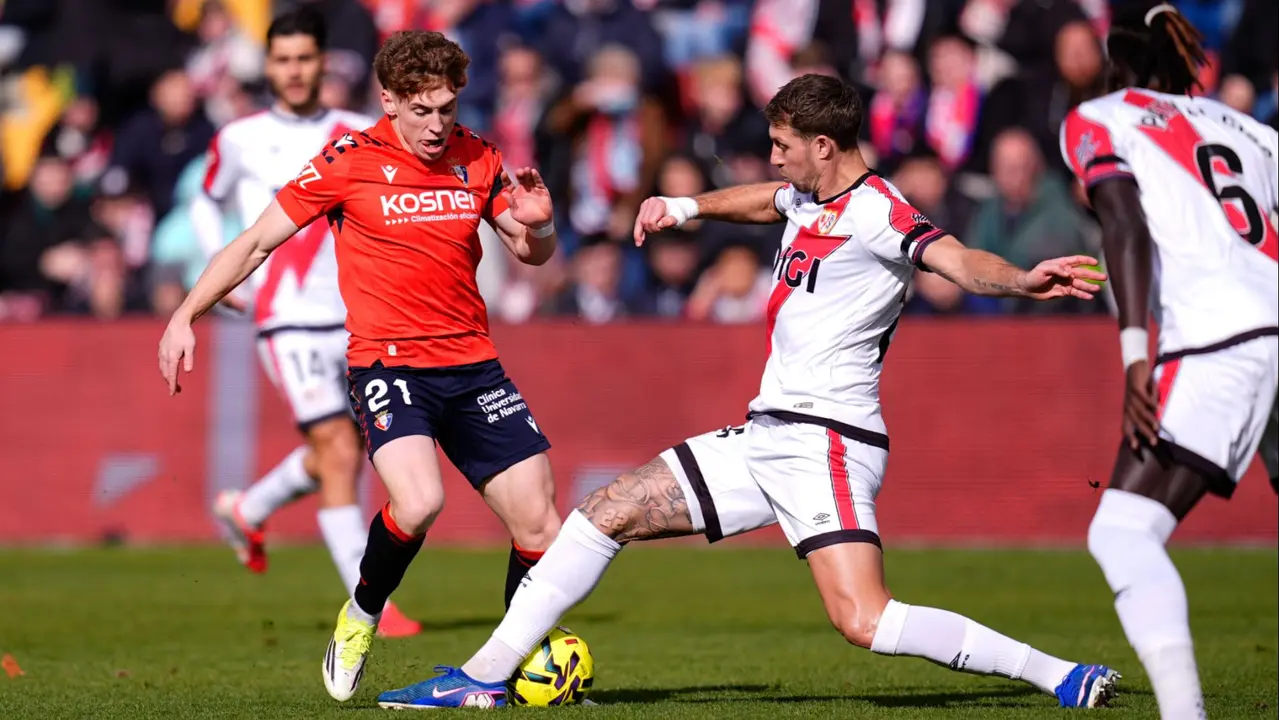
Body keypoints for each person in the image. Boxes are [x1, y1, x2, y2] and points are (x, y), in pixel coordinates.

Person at [373, 73, 1119, 710]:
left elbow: (953, 259)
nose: (774, 158)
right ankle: (481, 678)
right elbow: (768, 199)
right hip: (768, 435)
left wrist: (1020, 280)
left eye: (783, 146)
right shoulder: (807, 195)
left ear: (823, 148)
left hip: (826, 443)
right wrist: (686, 207)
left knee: (863, 620)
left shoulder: (878, 211)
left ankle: (1061, 675)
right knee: (606, 512)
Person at [157, 30, 564, 703]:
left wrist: (541, 225)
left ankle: (497, 669)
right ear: (389, 101)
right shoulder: (348, 160)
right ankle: (362, 613)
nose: (437, 125)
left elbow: (529, 252)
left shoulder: (479, 155)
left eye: (447, 109)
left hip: (473, 364)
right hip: (389, 363)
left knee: (540, 526)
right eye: (422, 110)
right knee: (420, 501)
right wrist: (185, 315)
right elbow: (256, 240)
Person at [1059, 5, 1278, 719]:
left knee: (1122, 530)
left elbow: (1121, 222)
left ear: (1111, 65)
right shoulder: (1255, 132)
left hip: (1222, 333)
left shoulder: (1100, 117)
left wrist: (1132, 355)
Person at [189, 7, 421, 639]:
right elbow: (204, 203)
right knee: (341, 449)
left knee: (345, 451)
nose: (294, 71)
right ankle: (369, 604)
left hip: (358, 314)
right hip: (284, 317)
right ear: (268, 66)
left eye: (304, 59)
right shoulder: (238, 137)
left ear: (324, 63)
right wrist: (231, 277)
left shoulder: (358, 132)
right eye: (283, 59)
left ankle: (249, 506)